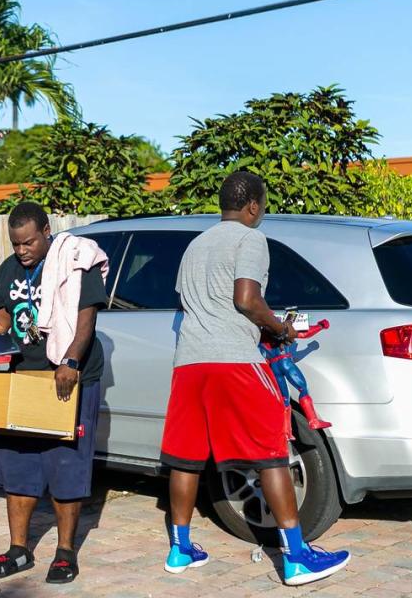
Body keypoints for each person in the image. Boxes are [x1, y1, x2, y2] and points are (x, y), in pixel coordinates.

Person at [159, 172, 350, 587]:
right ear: (253, 206)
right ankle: (296, 558)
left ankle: (180, 548)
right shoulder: (251, 239)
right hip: (235, 362)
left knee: (186, 457)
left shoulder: (196, 244)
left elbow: (194, 303)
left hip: (190, 363)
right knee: (270, 454)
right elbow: (245, 299)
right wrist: (279, 328)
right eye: (262, 205)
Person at [0, 202, 109, 584]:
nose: (22, 251)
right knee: (17, 462)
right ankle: (19, 549)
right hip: (23, 376)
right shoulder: (9, 268)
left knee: (64, 463)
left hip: (67, 375)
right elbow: (3, 316)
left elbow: (86, 315)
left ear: (46, 230)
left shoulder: (73, 260)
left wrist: (70, 360)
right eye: (16, 244)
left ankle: (65, 552)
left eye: (28, 242)